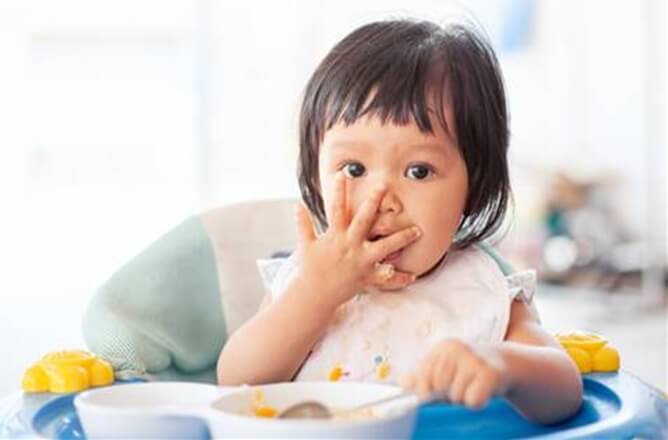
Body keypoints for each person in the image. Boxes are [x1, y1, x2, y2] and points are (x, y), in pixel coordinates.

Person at [216, 18, 583, 424]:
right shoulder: (306, 279)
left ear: (474, 184)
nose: (382, 200)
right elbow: (236, 380)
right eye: (353, 169)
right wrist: (313, 295)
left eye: (419, 171)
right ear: (316, 175)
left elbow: (565, 392)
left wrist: (504, 365)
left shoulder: (483, 290)